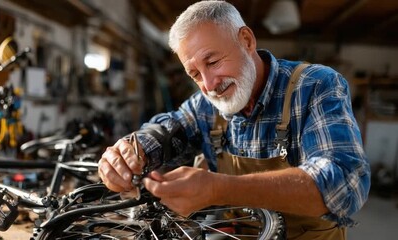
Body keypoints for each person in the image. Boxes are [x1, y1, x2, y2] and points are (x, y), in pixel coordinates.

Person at [98, 1, 371, 239]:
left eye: (213, 61)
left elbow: (345, 185)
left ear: (247, 41)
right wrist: (132, 151)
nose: (208, 84)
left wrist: (219, 189)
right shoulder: (206, 105)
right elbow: (171, 126)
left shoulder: (315, 85)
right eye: (194, 74)